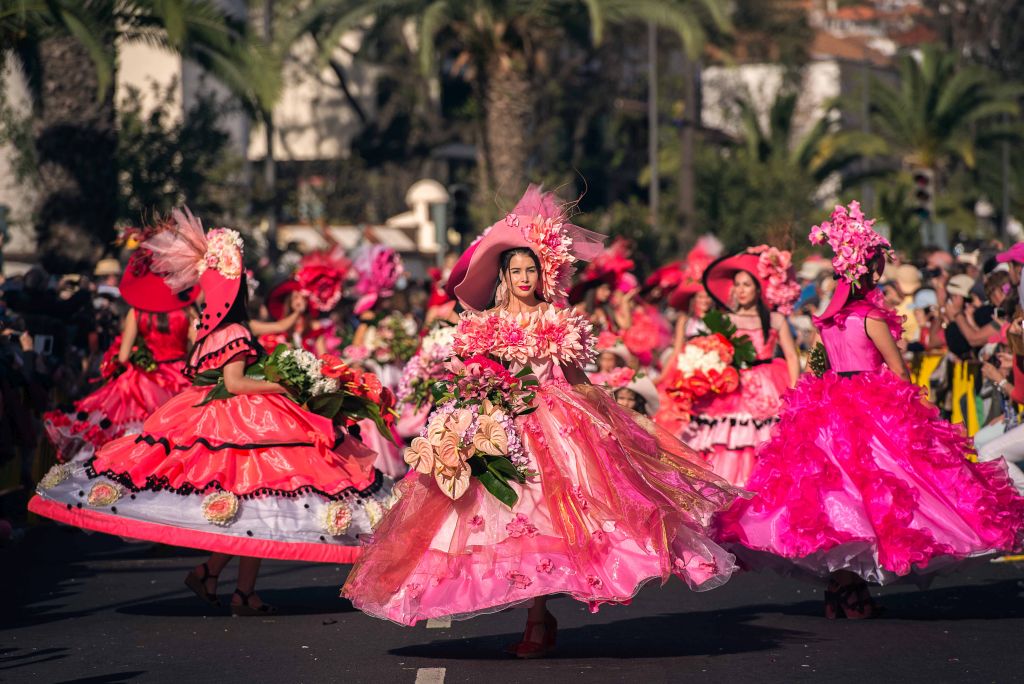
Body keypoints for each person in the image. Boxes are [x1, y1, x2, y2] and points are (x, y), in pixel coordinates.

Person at [342, 186, 742, 657]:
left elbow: (578, 379)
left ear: (543, 272)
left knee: (555, 520)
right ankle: (538, 615)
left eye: (532, 269)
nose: (525, 277)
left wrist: (609, 419)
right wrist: (473, 399)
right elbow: (470, 370)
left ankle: (536, 619)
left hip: (559, 427)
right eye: (517, 270)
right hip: (498, 426)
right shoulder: (484, 323)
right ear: (505, 278)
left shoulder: (560, 320)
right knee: (507, 521)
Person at [28, 208, 394, 615]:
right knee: (257, 506)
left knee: (254, 510)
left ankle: (222, 580)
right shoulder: (233, 331)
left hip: (213, 415)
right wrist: (286, 385)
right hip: (239, 421)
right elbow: (236, 383)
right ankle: (235, 587)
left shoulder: (208, 330)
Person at [717, 201, 1024, 618]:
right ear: (870, 271)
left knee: (831, 499)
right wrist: (917, 419)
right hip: (871, 408)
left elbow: (819, 365)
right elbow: (897, 369)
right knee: (877, 496)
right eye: (877, 265)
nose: (880, 273)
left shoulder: (826, 321)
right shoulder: (870, 318)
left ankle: (842, 589)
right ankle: (850, 591)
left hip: (826, 409)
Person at [43, 227, 200, 462]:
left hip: (141, 382)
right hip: (179, 380)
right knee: (178, 442)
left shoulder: (137, 313)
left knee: (129, 445)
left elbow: (124, 356)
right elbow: (199, 348)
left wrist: (136, 357)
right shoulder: (186, 312)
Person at [678, 247, 801, 487]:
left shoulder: (776, 320)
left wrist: (794, 393)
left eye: (746, 284)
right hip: (732, 387)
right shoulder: (725, 319)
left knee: (764, 443)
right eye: (738, 285)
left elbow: (792, 357)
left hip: (768, 386)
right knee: (729, 441)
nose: (741, 290)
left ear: (758, 288)